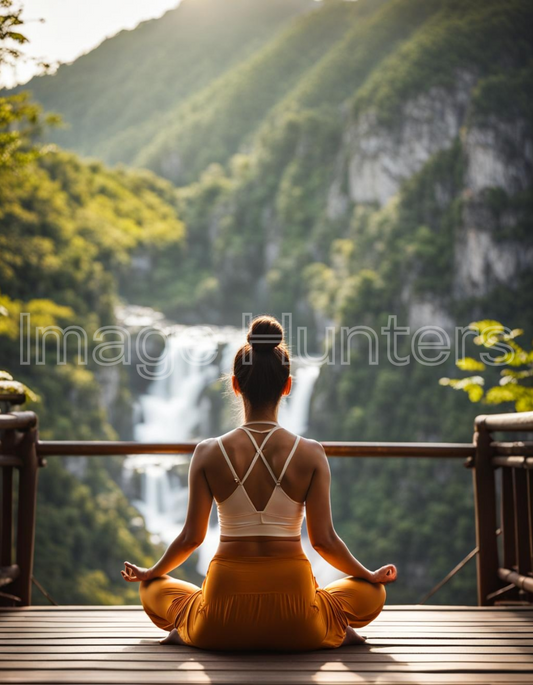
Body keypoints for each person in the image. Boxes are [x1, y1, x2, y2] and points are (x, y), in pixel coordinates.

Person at [121, 315, 397, 650]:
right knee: (372, 592)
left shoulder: (207, 453)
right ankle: (332, 624)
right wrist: (368, 575)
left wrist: (151, 571)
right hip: (299, 620)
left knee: (153, 589)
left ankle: (189, 626)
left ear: (236, 386)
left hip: (219, 620)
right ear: (288, 386)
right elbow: (324, 542)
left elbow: (191, 538)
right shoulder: (311, 454)